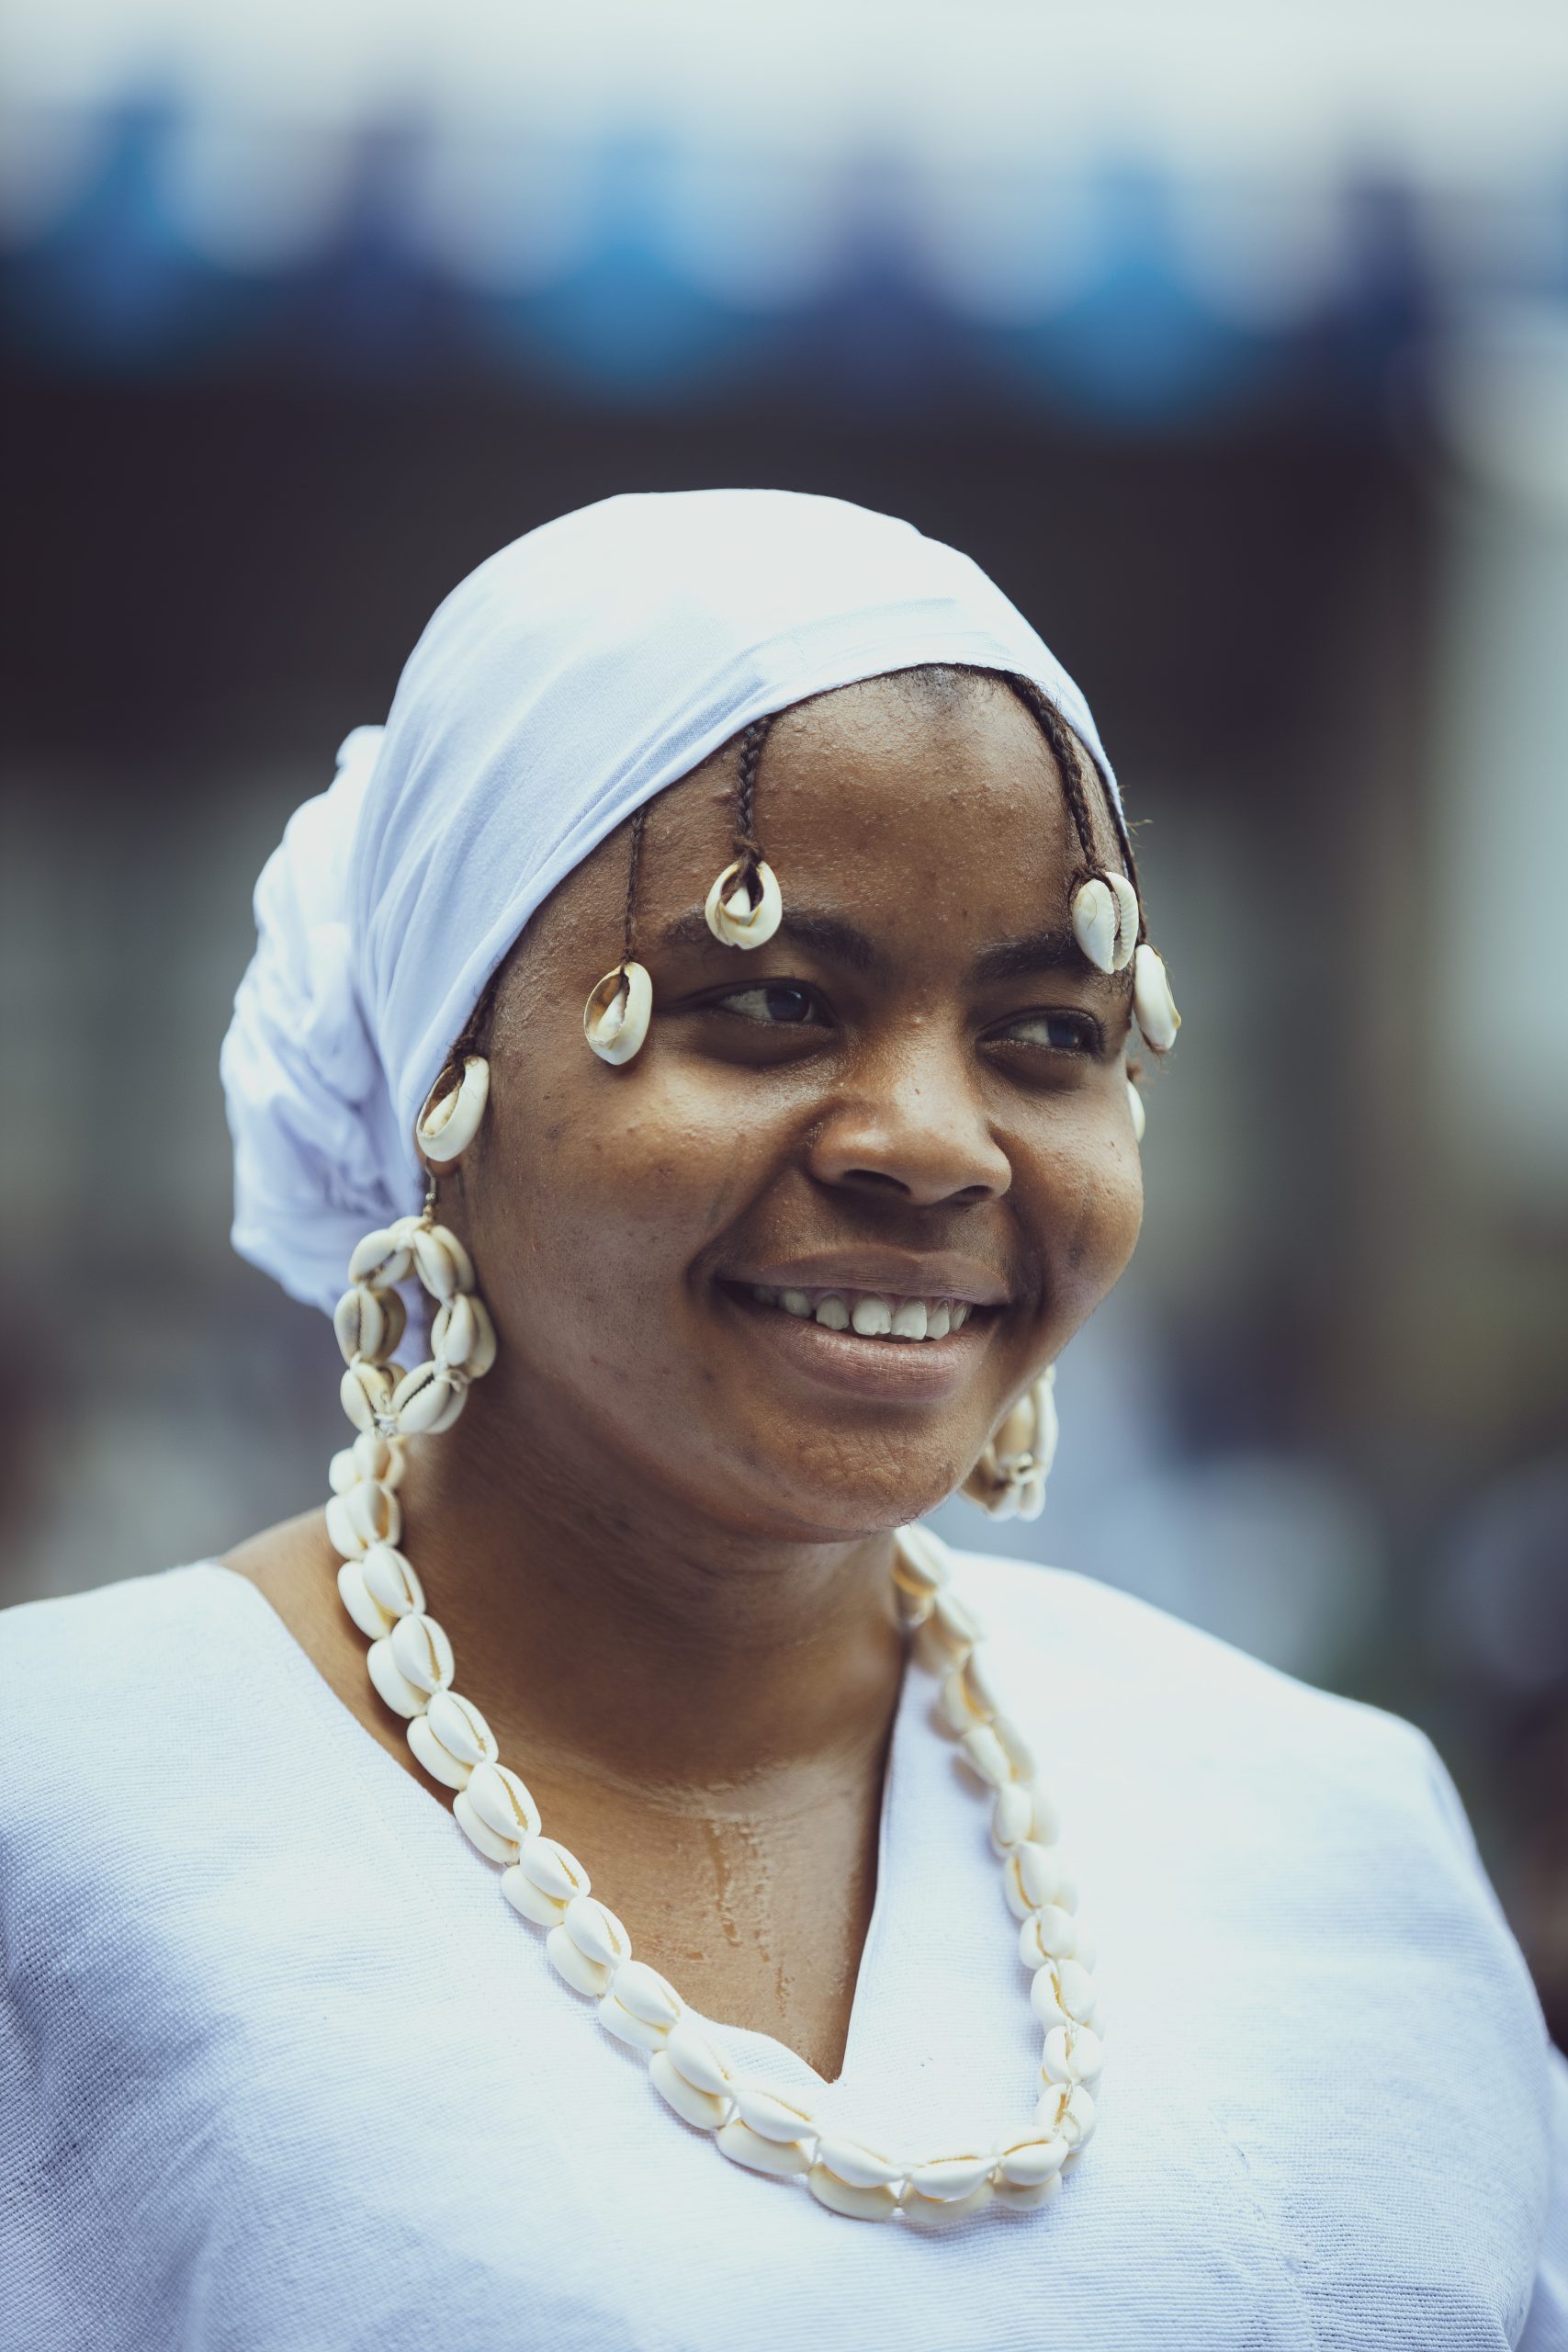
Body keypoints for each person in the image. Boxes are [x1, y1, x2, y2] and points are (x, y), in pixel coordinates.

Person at [1, 491, 1562, 2350]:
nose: (928, 1137)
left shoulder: (1327, 1830)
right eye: (762, 1001)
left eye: (1048, 1032)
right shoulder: (64, 1813)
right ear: (443, 1077)